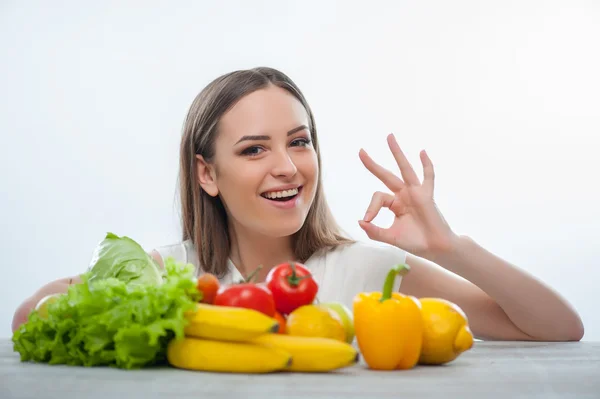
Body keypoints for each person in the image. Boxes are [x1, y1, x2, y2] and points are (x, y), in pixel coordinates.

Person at [12, 67, 584, 342]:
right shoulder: (170, 275)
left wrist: (451, 249)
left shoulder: (369, 272)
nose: (287, 166)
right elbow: (28, 319)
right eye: (254, 149)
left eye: (299, 141)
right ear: (207, 173)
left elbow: (558, 328)